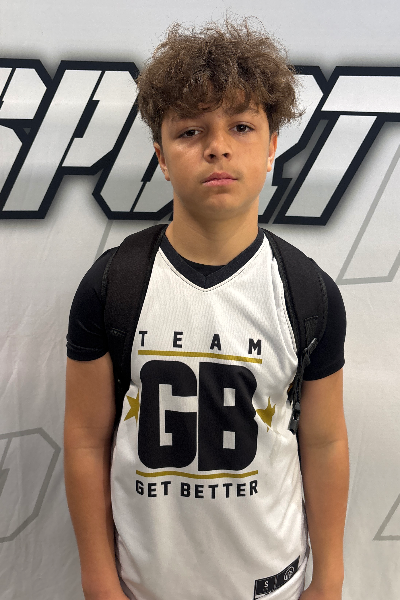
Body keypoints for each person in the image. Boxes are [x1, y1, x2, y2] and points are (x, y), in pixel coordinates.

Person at [64, 17, 349, 600]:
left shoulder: (307, 292)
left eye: (241, 126)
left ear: (272, 147)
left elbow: (324, 443)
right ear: (162, 157)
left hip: (271, 583)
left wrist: (331, 576)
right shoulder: (113, 284)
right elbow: (86, 440)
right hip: (144, 586)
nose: (217, 146)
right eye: (191, 131)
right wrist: (97, 578)